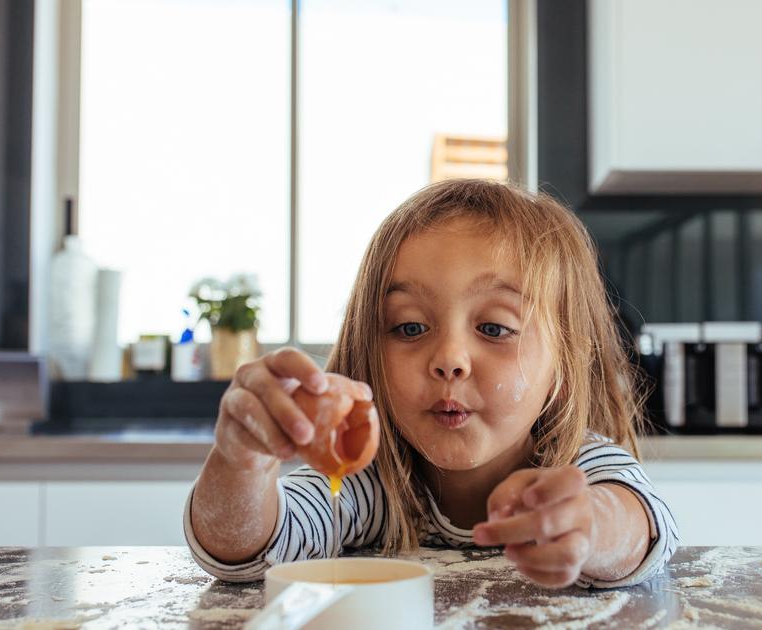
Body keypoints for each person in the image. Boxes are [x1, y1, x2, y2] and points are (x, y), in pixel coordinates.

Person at [186, 178, 678, 588]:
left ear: (564, 368)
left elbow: (638, 526)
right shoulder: (368, 485)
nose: (449, 361)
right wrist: (242, 461)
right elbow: (248, 549)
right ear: (370, 356)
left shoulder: (580, 468)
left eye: (494, 329)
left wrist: (586, 525)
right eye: (410, 327)